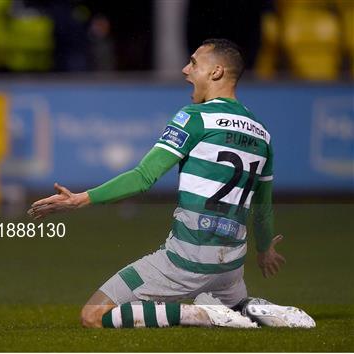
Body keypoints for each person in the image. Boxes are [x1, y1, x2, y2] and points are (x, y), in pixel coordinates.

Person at [28, 38, 314, 329]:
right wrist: (264, 250)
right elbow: (263, 207)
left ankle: (202, 315)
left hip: (186, 261)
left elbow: (143, 177)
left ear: (215, 72)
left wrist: (80, 199)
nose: (184, 70)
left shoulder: (194, 118)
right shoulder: (263, 135)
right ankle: (248, 308)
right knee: (228, 299)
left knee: (93, 315)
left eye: (193, 63)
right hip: (230, 268)